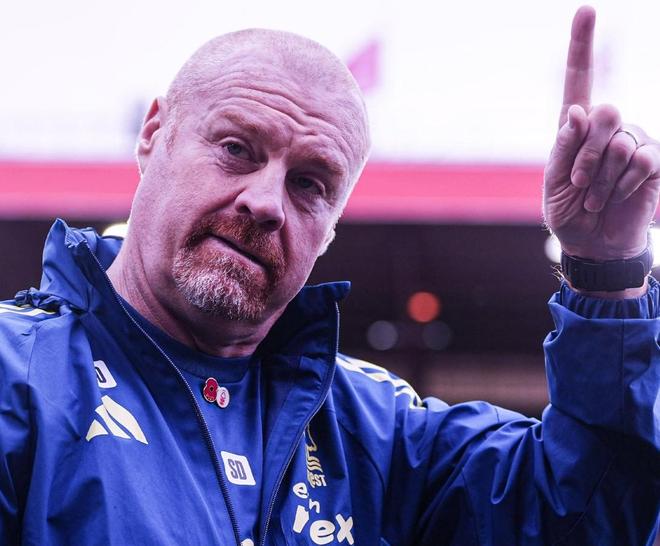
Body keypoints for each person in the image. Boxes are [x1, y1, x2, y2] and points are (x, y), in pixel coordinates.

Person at [1, 5, 658, 545]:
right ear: (154, 135)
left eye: (310, 184)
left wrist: (607, 274)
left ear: (331, 230)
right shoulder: (18, 378)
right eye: (236, 149)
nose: (266, 202)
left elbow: (587, 511)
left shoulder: (374, 431)